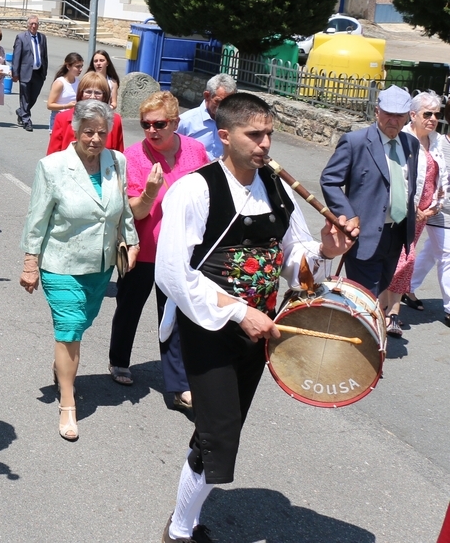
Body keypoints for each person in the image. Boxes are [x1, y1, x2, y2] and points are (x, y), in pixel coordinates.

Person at [155, 93, 355, 542]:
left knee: (219, 431)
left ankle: (182, 522)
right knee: (220, 437)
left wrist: (326, 250)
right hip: (206, 327)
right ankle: (179, 533)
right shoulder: (195, 189)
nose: (265, 144)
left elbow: (294, 264)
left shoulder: (278, 189)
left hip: (258, 331)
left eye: (269, 134)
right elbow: (172, 273)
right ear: (224, 136)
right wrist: (239, 310)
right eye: (254, 134)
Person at [20, 100, 138, 442]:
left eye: (102, 132)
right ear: (75, 130)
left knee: (81, 325)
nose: (96, 139)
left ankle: (63, 369)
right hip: (61, 263)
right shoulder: (53, 167)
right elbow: (37, 218)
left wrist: (131, 241)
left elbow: (123, 209)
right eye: (89, 132)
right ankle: (68, 403)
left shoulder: (117, 163)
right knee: (69, 329)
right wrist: (30, 263)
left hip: (99, 264)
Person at [108, 91, 207, 411]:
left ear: (175, 122)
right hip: (144, 247)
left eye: (159, 123)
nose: (152, 130)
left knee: (174, 315)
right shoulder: (134, 156)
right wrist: (150, 193)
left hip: (183, 250)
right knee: (129, 307)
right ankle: (119, 359)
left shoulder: (195, 151)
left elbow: (208, 195)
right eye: (146, 124)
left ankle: (178, 384)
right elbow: (135, 212)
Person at [321, 84, 418, 296]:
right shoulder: (355, 142)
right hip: (365, 234)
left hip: (397, 232)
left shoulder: (410, 143)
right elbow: (330, 179)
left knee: (381, 287)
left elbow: (408, 183)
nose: (393, 120)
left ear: (408, 116)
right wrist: (348, 215)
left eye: (399, 116)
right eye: (388, 114)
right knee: (366, 296)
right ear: (377, 112)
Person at [380, 90, 444, 337]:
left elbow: (443, 179)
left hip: (426, 212)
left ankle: (389, 311)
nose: (432, 118)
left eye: (436, 114)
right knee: (403, 260)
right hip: (404, 212)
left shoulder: (436, 141)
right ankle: (387, 310)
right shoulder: (404, 139)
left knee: (402, 261)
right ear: (413, 115)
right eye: (427, 114)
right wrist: (412, 208)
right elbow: (399, 177)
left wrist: (434, 206)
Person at [411, 97, 450, 327]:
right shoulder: (441, 145)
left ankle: (408, 286)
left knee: (431, 251)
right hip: (439, 210)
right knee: (447, 254)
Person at [46, 72, 124, 155]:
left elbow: (118, 155)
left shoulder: (115, 119)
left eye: (98, 93)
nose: (92, 96)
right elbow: (52, 155)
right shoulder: (62, 118)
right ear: (81, 94)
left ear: (104, 96)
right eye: (88, 92)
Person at [178, 74, 237, 161]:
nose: (223, 107)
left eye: (229, 103)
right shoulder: (185, 121)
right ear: (207, 96)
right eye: (218, 101)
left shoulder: (236, 122)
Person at [12, 16, 49, 131]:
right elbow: (16, 56)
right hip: (25, 73)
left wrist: (45, 72)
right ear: (28, 25)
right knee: (25, 97)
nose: (34, 26)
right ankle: (26, 120)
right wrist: (15, 73)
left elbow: (44, 56)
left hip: (38, 73)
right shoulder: (21, 37)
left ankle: (21, 111)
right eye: (32, 24)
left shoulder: (42, 38)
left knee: (33, 97)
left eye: (36, 24)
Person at [45, 51, 84, 130]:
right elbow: (49, 105)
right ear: (68, 66)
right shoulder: (60, 83)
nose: (80, 69)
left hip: (73, 118)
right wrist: (66, 106)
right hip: (59, 118)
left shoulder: (78, 82)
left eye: (81, 66)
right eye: (77, 67)